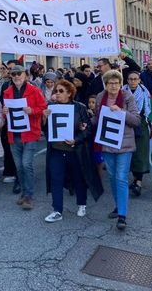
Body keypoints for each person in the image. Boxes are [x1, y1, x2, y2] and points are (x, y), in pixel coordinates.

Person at [42, 80, 103, 222]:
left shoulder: (79, 107)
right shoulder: (50, 107)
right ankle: (57, 210)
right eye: (56, 91)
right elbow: (45, 130)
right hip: (56, 150)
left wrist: (76, 139)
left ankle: (82, 203)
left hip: (75, 151)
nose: (57, 94)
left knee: (78, 178)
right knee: (56, 179)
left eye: (61, 91)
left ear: (70, 93)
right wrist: (44, 118)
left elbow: (87, 130)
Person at [94, 70, 141, 229]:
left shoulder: (128, 97)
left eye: (116, 83)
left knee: (121, 177)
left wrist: (122, 112)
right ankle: (118, 205)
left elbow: (136, 120)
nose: (113, 86)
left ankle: (122, 215)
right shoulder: (101, 97)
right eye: (110, 83)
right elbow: (96, 117)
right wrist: (87, 123)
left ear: (121, 84)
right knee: (113, 177)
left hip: (125, 144)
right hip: (107, 142)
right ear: (105, 84)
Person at [2, 65, 47, 210]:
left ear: (25, 75)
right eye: (13, 74)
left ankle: (29, 195)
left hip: (30, 134)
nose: (16, 76)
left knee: (26, 164)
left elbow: (43, 107)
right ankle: (24, 192)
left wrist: (32, 111)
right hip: (13, 134)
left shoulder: (34, 90)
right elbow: (5, 114)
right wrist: (4, 111)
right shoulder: (7, 92)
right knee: (19, 166)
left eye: (19, 73)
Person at [123, 71, 152, 196]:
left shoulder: (145, 92)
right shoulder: (122, 92)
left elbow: (150, 109)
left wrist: (150, 123)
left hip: (141, 124)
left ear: (139, 80)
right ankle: (135, 178)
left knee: (140, 154)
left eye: (135, 79)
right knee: (129, 153)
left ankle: (138, 182)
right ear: (127, 80)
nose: (132, 81)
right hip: (126, 123)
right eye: (130, 79)